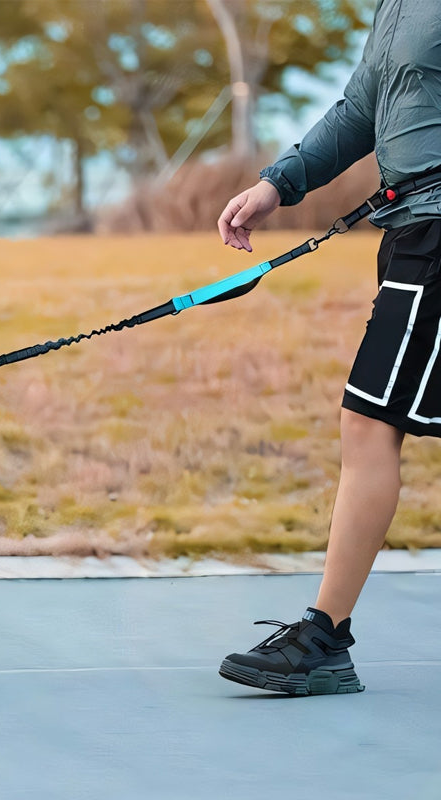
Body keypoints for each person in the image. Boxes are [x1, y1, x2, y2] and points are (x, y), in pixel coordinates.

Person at [215, 0, 441, 695]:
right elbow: (362, 107)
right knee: (372, 421)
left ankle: (324, 637)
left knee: (370, 421)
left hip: (437, 237)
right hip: (410, 230)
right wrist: (277, 183)